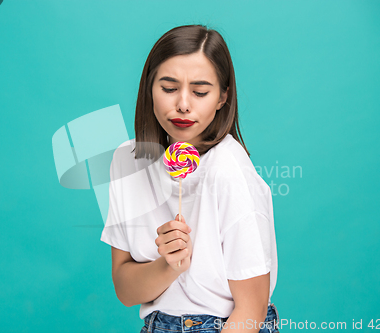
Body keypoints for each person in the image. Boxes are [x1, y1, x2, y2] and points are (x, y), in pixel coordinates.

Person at [100, 24, 279, 333]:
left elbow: (252, 310)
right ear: (149, 89)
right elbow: (126, 291)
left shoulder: (229, 171)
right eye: (169, 88)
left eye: (200, 92)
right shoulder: (126, 162)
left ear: (223, 97)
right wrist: (168, 264)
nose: (183, 104)